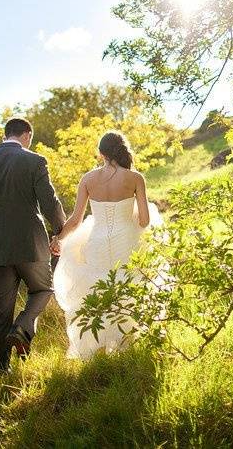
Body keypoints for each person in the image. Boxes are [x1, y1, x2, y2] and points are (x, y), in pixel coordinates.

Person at [0, 117, 66, 374]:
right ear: (27, 134)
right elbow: (50, 203)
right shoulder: (35, 160)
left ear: (5, 134)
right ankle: (23, 326)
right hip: (32, 245)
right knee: (43, 289)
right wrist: (60, 234)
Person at [52, 131, 162, 359]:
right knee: (129, 286)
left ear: (101, 153)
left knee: (98, 289)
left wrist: (58, 239)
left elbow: (75, 220)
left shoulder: (88, 179)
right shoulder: (135, 178)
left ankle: (96, 346)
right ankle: (127, 343)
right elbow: (144, 221)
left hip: (98, 242)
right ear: (121, 151)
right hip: (127, 240)